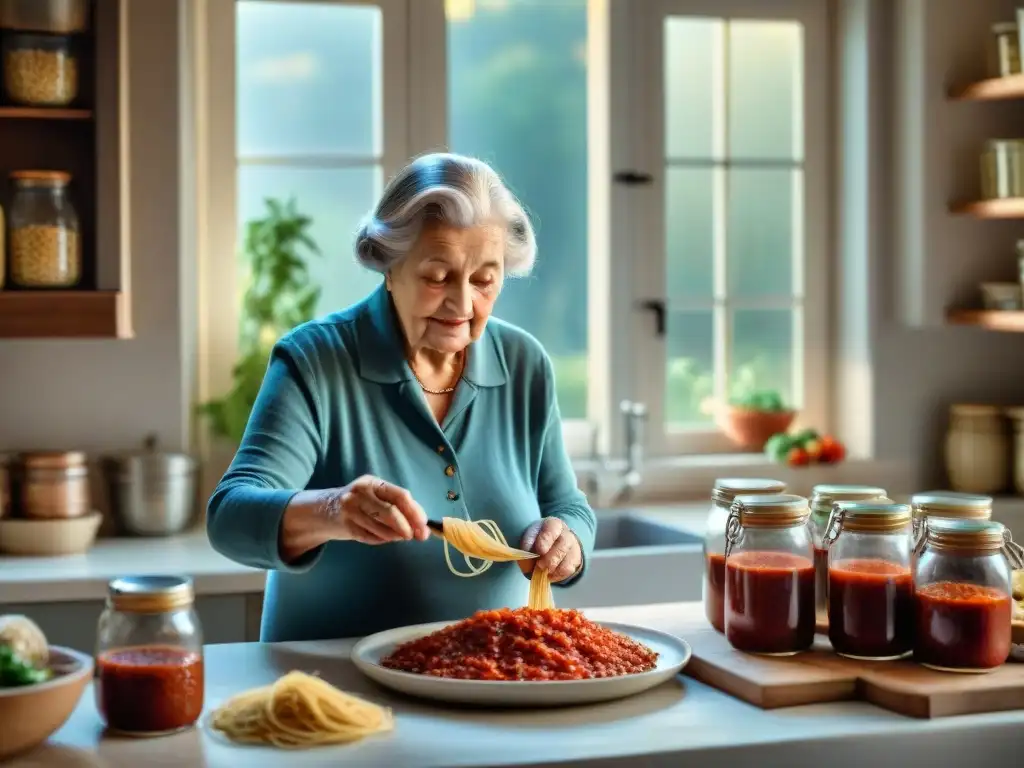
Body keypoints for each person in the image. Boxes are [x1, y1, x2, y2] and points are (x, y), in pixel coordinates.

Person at [207, 153, 597, 642]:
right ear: (390, 267)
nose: (462, 304)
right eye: (438, 277)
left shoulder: (525, 363)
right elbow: (230, 516)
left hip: (500, 680)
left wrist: (568, 540)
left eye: (484, 279)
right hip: (330, 687)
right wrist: (331, 510)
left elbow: (567, 505)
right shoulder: (316, 360)